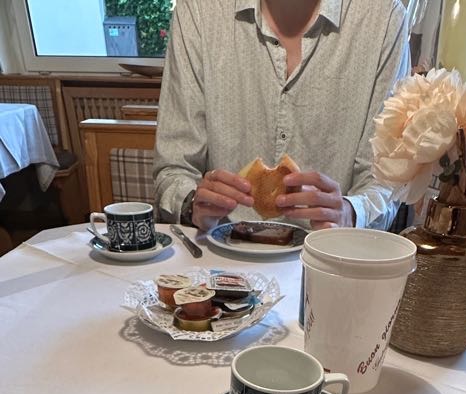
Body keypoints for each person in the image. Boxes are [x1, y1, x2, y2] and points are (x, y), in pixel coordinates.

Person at [154, 0, 410, 233]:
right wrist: (193, 205)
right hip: (217, 250)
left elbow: (384, 181)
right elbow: (174, 169)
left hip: (328, 254)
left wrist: (350, 212)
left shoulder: (384, 18)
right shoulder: (199, 10)